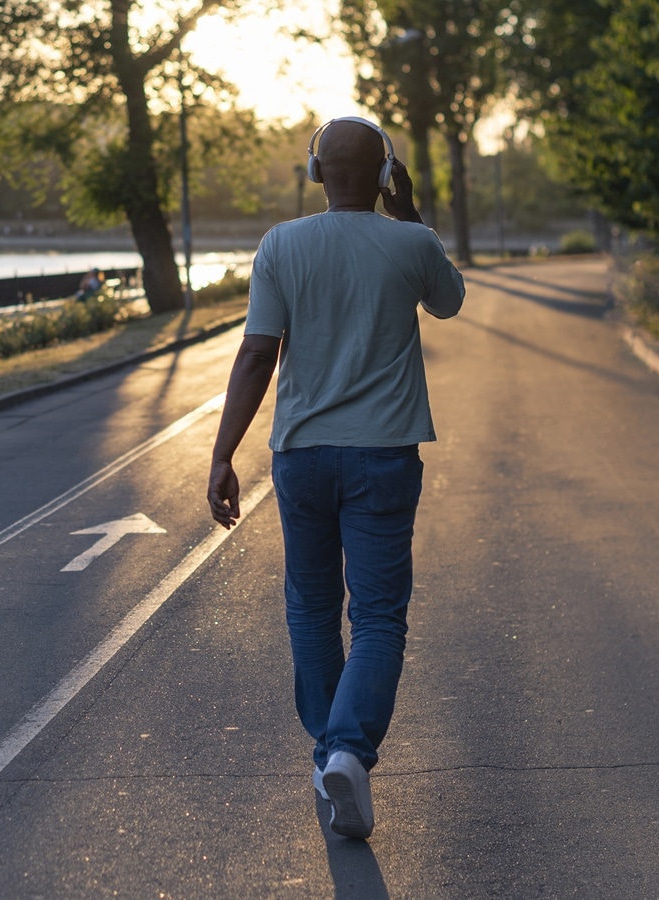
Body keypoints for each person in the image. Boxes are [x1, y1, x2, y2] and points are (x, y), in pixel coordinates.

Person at [206, 116, 464, 840]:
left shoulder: (281, 244)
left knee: (313, 608)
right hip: (383, 455)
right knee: (378, 616)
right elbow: (448, 301)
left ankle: (330, 759)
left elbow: (258, 354)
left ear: (315, 172)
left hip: (302, 457)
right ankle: (347, 750)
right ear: (383, 176)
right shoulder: (411, 242)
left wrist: (223, 453)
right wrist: (408, 211)